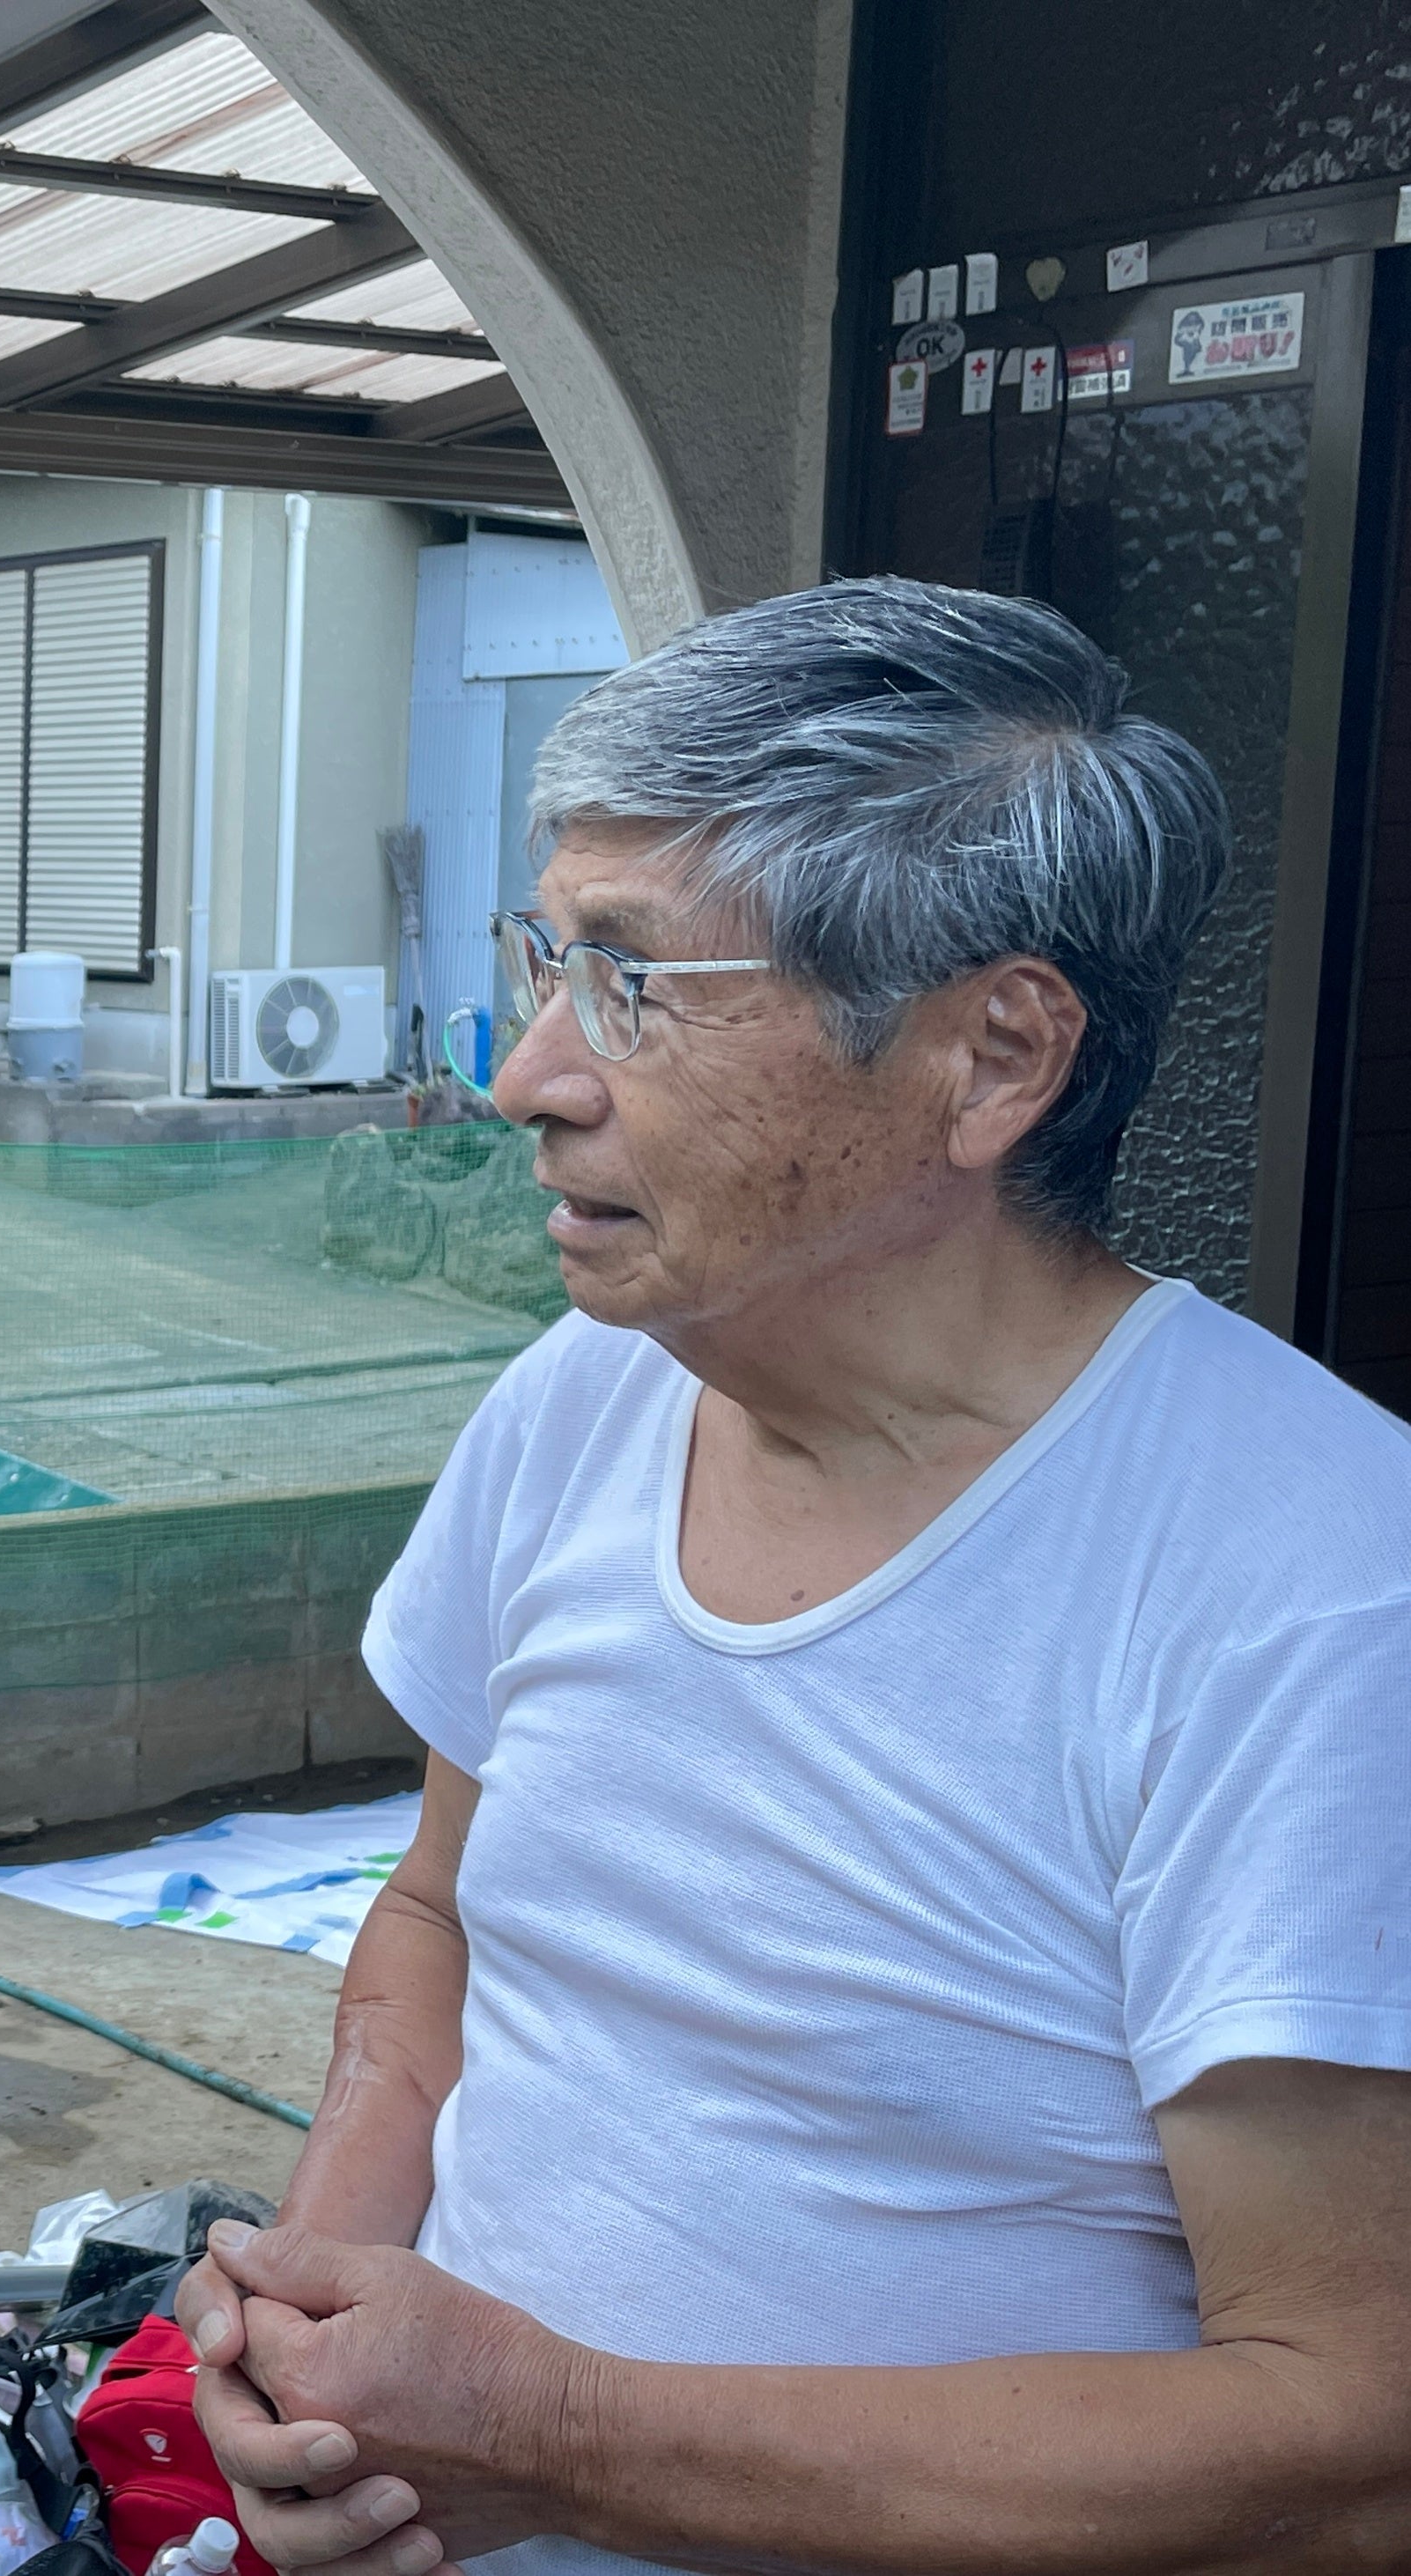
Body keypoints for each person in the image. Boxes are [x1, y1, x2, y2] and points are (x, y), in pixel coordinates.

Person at [171, 579, 1411, 2573]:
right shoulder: (581, 1401)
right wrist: (322, 2333)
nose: (528, 1072)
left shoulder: (1314, 1587)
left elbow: (1353, 2438)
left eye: (635, 981)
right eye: (546, 957)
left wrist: (554, 2435)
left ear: (991, 1055)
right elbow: (437, 1912)